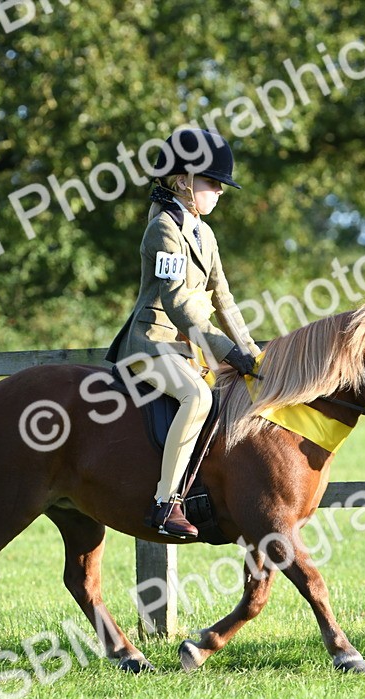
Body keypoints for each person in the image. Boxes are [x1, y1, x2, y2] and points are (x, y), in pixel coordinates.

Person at [105, 129, 261, 539]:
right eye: (213, 183)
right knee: (198, 396)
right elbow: (178, 303)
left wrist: (250, 351)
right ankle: (165, 503)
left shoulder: (204, 233)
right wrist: (227, 350)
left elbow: (223, 299)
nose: (219, 192)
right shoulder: (163, 230)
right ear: (184, 181)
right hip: (150, 345)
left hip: (186, 348)